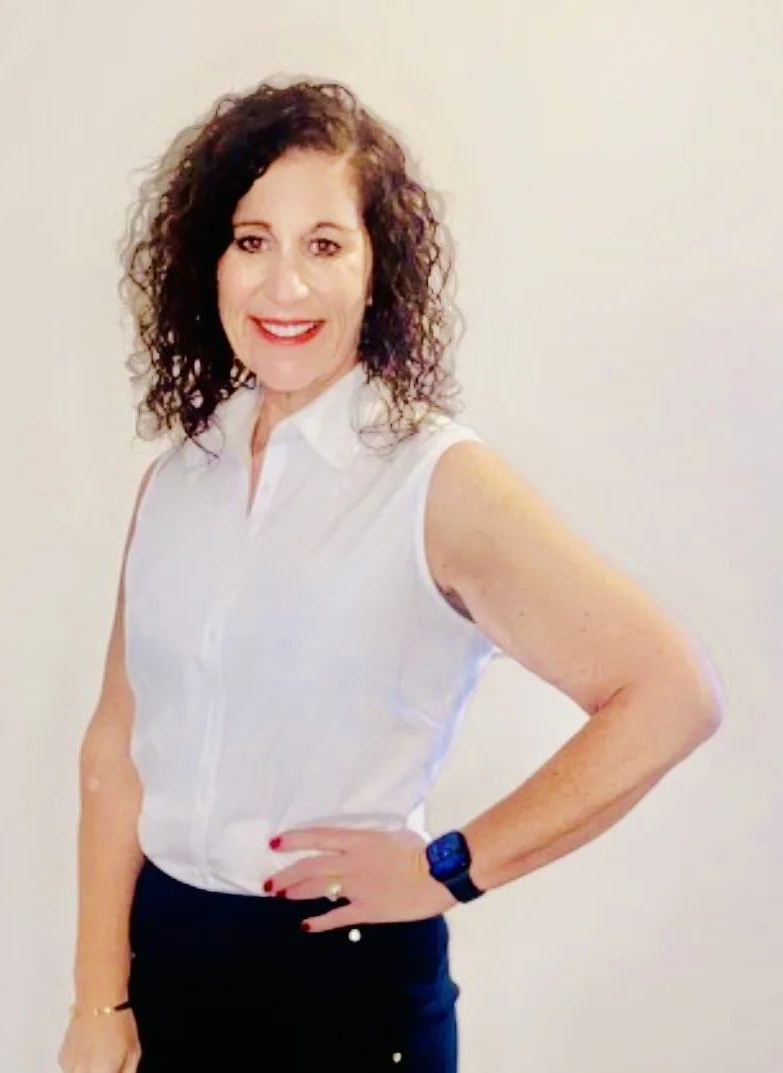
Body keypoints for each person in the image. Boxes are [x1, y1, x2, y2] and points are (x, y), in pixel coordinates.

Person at [57, 78, 723, 1073]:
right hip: (164, 969)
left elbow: (670, 693)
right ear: (209, 262)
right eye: (252, 240)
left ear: (377, 269)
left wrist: (452, 866)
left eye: (325, 244)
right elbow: (116, 748)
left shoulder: (432, 480)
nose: (285, 285)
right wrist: (97, 997)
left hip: (343, 992)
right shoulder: (178, 479)